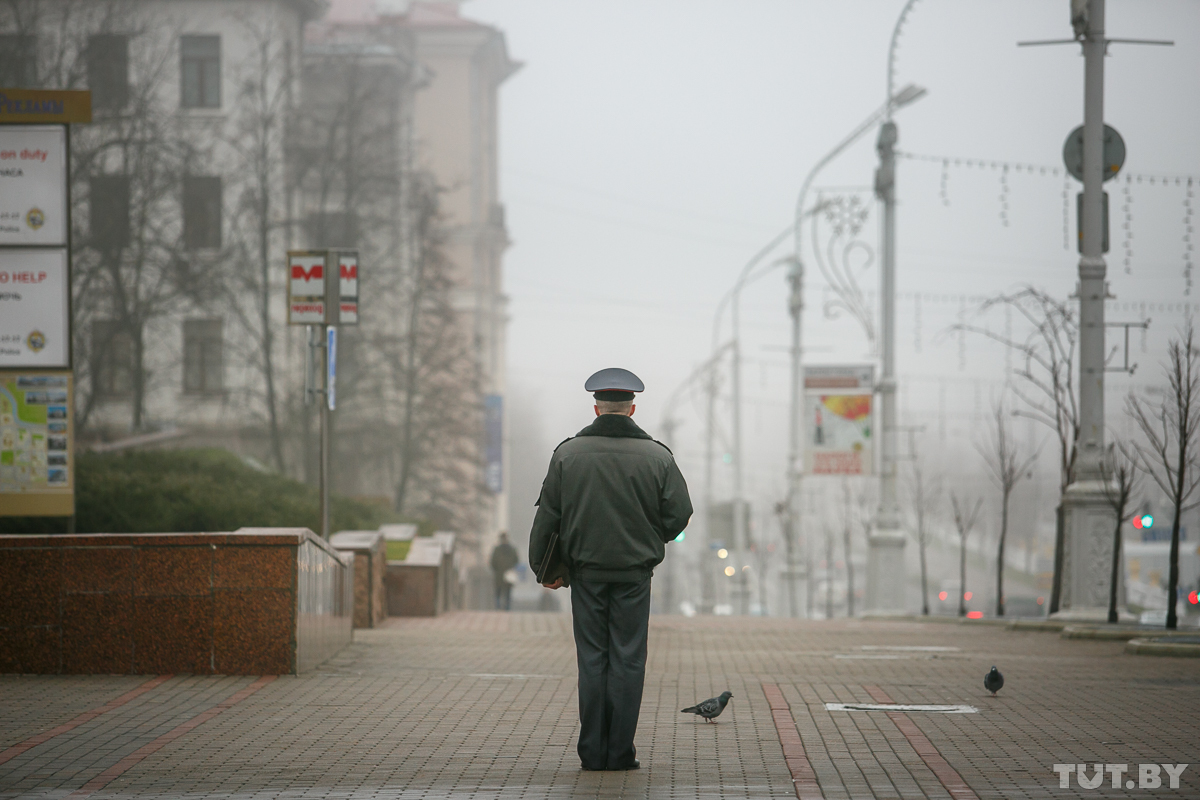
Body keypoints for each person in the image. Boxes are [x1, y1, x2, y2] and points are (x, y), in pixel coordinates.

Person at [529, 367, 692, 772]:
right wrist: (652, 537)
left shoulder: (567, 454)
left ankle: (592, 753)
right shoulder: (658, 457)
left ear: (597, 409)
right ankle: (620, 753)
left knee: (593, 660)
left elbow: (548, 517)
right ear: (632, 409)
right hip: (634, 576)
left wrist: (542, 567)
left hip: (586, 574)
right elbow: (680, 513)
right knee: (629, 660)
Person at [489, 532, 519, 611]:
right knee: (505, 593)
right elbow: (516, 561)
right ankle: (504, 608)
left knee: (501, 592)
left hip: (502, 574)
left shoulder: (498, 549)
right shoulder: (511, 549)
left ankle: (501, 608)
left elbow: (493, 562)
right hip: (506, 574)